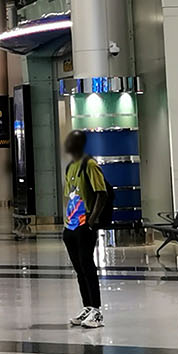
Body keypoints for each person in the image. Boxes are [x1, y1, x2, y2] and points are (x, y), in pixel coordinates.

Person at [62, 130, 109, 329]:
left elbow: (102, 193)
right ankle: (87, 306)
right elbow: (70, 196)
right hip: (71, 226)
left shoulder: (90, 165)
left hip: (84, 225)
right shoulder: (70, 167)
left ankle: (96, 309)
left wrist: (91, 221)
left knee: (87, 266)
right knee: (79, 268)